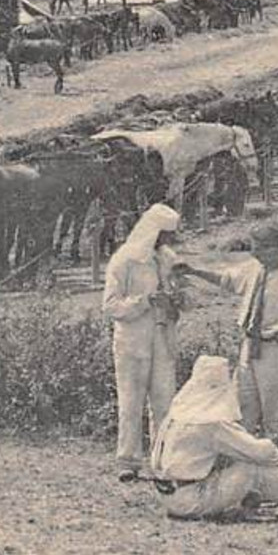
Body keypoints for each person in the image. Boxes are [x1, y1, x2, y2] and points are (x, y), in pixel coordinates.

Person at [173, 220, 278, 457]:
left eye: (258, 247)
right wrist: (195, 271)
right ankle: (245, 463)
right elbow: (226, 280)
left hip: (274, 352)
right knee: (242, 409)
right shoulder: (253, 269)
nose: (253, 252)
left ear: (274, 248)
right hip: (248, 347)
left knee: (276, 414)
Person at [149, 355, 278, 520]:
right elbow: (260, 452)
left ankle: (248, 499)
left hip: (168, 495)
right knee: (252, 468)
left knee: (236, 461)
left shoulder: (178, 414)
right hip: (190, 499)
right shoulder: (211, 423)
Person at [101, 203, 183, 478]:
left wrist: (178, 300)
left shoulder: (168, 259)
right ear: (154, 233)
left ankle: (162, 460)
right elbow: (111, 306)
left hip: (163, 338)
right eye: (166, 235)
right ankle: (128, 461)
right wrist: (144, 302)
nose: (169, 241)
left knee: (164, 400)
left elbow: (188, 296)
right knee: (131, 400)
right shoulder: (124, 261)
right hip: (133, 340)